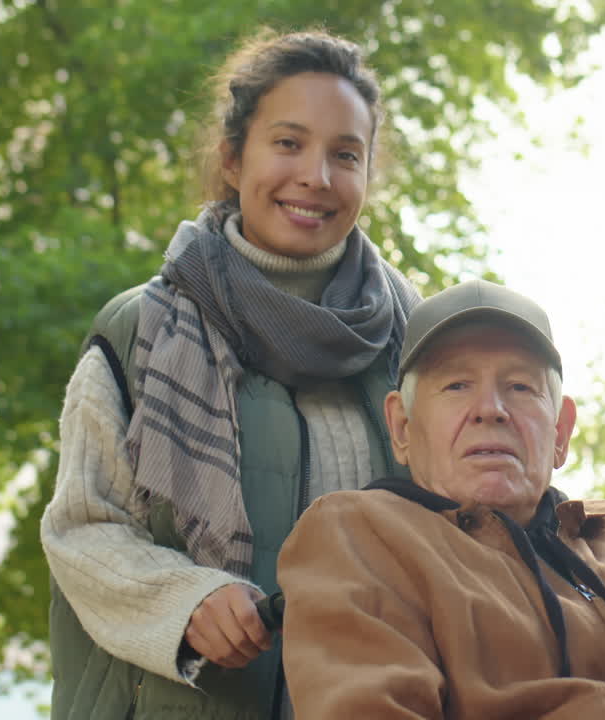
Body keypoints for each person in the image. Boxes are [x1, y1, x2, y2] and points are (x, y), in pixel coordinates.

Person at [40, 29, 419, 720]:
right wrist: (182, 598)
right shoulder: (139, 331)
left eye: (345, 155)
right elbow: (81, 528)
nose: (316, 176)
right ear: (233, 158)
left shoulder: (416, 342)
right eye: (288, 143)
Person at [276, 280, 605, 719]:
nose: (491, 409)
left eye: (520, 387)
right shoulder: (361, 535)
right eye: (456, 386)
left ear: (561, 431)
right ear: (401, 426)